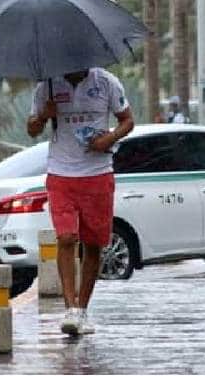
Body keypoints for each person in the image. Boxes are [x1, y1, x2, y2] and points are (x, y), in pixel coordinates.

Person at [27, 67, 134, 336]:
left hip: (97, 174)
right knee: (65, 238)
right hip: (61, 173)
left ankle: (83, 309)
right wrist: (43, 116)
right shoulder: (47, 86)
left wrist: (109, 138)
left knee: (94, 244)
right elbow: (31, 130)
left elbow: (128, 121)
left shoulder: (107, 82)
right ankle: (70, 310)